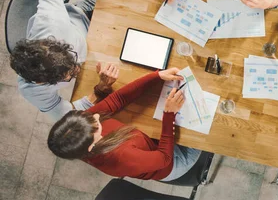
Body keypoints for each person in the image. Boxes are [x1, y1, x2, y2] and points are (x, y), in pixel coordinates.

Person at [47, 68, 202, 181]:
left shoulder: (82, 125)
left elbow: (116, 100)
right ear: (90, 145)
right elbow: (164, 159)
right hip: (175, 160)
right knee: (204, 126)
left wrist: (156, 76)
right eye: (96, 124)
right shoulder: (121, 157)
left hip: (154, 143)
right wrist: (169, 115)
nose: (94, 115)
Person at [10, 0, 118, 121]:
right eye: (68, 75)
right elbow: (68, 116)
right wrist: (99, 89)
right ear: (43, 82)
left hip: (84, 15)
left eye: (71, 59)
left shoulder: (50, 21)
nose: (76, 70)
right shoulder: (32, 90)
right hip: (94, 58)